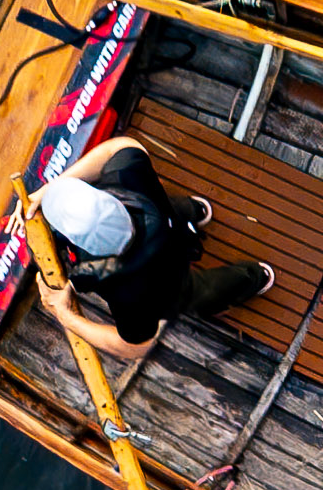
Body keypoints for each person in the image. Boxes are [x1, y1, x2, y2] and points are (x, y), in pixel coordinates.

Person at [36, 134, 273, 356]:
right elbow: (119, 146)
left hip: (164, 287)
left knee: (198, 292)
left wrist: (67, 317)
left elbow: (134, 347)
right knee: (173, 213)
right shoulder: (128, 179)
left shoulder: (127, 295)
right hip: (164, 223)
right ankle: (200, 216)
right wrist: (51, 189)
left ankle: (252, 277)